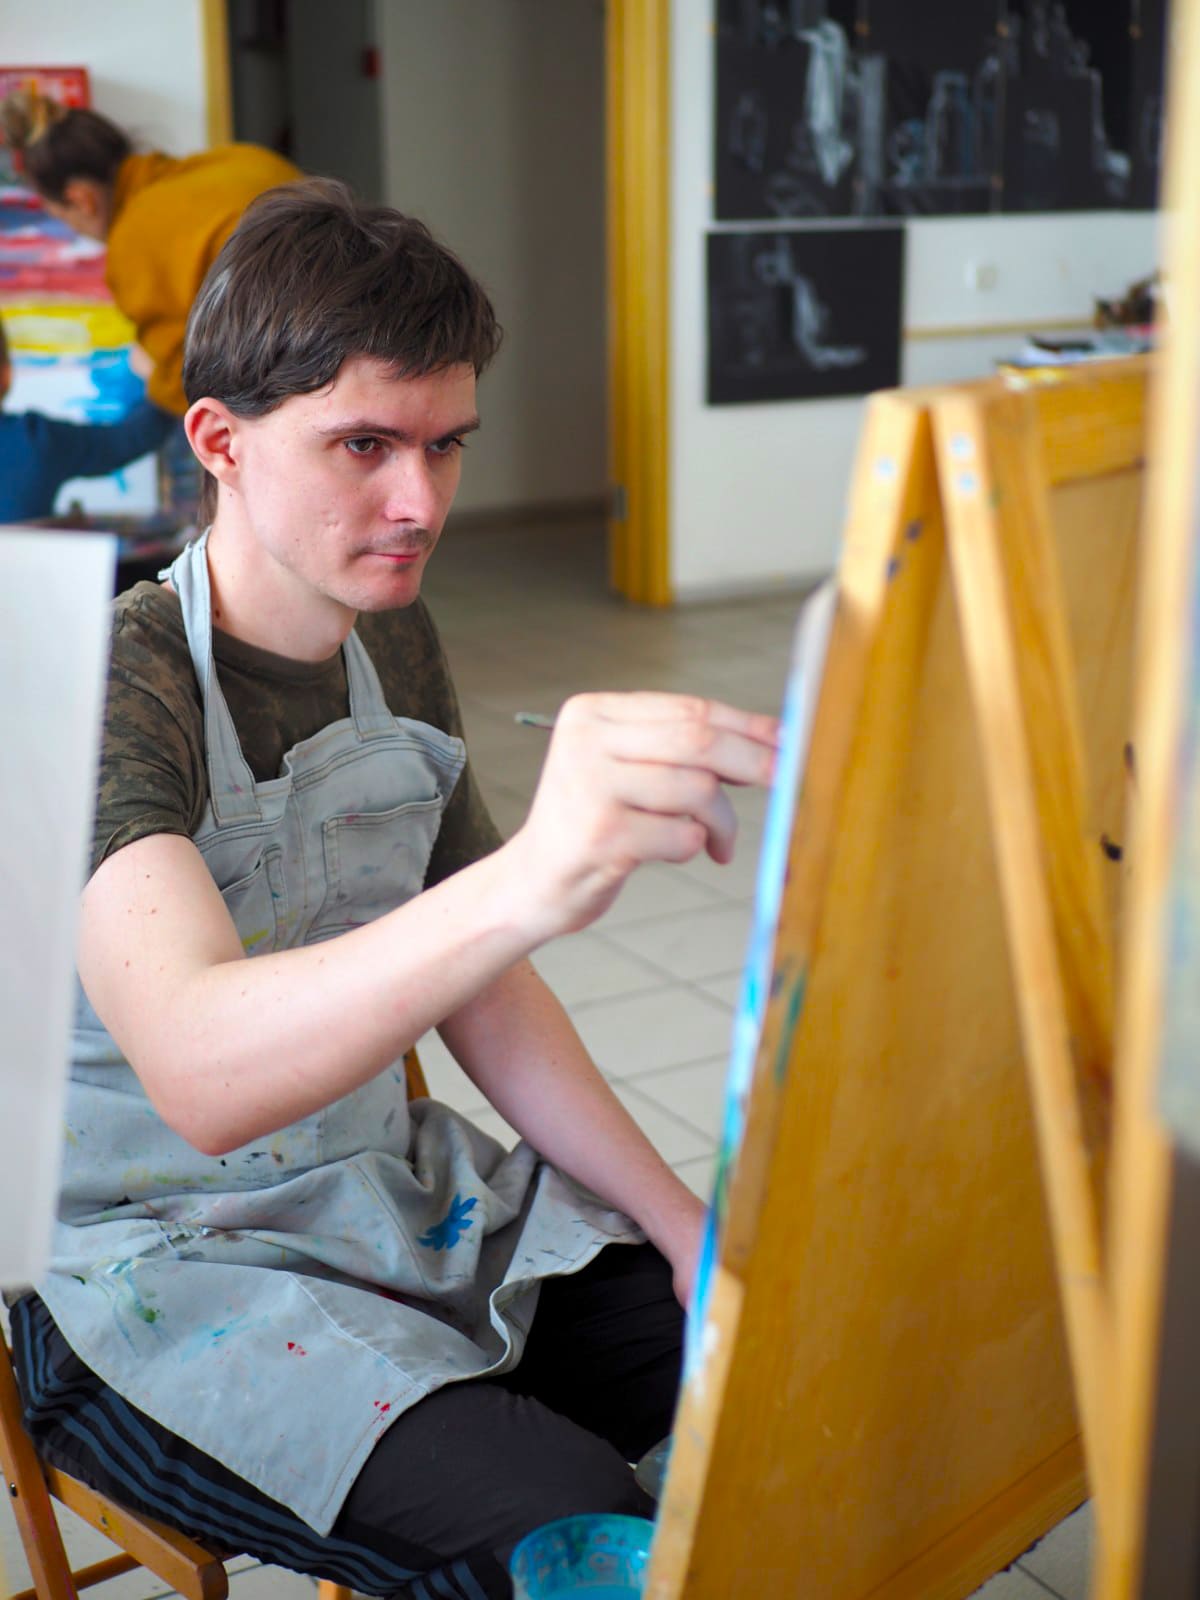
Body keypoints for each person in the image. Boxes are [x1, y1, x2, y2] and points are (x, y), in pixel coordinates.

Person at [9, 180, 779, 1600]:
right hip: (151, 1278)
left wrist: (686, 1227)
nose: (419, 502)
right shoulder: (105, 683)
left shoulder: (393, 638)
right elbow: (200, 1071)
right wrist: (536, 873)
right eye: (363, 445)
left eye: (445, 444)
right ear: (221, 442)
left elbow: (489, 996)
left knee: (768, 1361)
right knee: (570, 1532)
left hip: (384, 1203)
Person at [0, 89, 300, 418]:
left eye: (61, 216)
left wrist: (151, 374)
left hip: (302, 376)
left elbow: (196, 390)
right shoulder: (241, 157)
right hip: (337, 328)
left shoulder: (133, 244)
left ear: (81, 199)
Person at [0, 316, 173, 521]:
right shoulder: (34, 440)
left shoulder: (35, 439)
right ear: (6, 374)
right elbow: (136, 436)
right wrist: (160, 373)